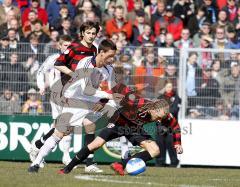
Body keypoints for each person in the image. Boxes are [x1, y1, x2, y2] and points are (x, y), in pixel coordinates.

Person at [27, 39, 119, 173]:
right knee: (60, 132)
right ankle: (36, 163)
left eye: (114, 56)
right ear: (101, 53)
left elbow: (113, 89)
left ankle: (94, 162)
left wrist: (104, 100)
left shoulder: (109, 69)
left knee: (109, 116)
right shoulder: (86, 63)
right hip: (76, 99)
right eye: (110, 56)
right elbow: (86, 89)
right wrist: (108, 96)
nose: (112, 59)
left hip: (94, 100)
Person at [58, 97, 183, 175]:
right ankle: (68, 168)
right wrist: (103, 102)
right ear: (155, 110)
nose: (167, 113)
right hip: (118, 123)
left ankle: (121, 165)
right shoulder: (141, 105)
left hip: (134, 129)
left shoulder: (165, 116)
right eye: (164, 111)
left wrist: (177, 144)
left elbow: (176, 127)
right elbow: (121, 99)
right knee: (95, 145)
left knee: (155, 150)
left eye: (167, 111)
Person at [29, 35, 72, 166]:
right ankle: (64, 156)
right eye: (65, 45)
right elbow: (40, 71)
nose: (67, 48)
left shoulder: (74, 60)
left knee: (59, 126)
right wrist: (41, 86)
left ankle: (37, 147)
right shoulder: (53, 58)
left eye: (70, 46)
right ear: (59, 46)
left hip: (70, 96)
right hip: (56, 95)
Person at [156, 80, 181, 167]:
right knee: (160, 144)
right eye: (167, 87)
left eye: (170, 87)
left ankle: (174, 162)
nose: (169, 88)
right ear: (165, 88)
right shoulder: (160, 98)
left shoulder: (177, 98)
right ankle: (160, 162)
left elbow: (174, 110)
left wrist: (164, 113)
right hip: (160, 124)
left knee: (171, 144)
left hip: (171, 125)